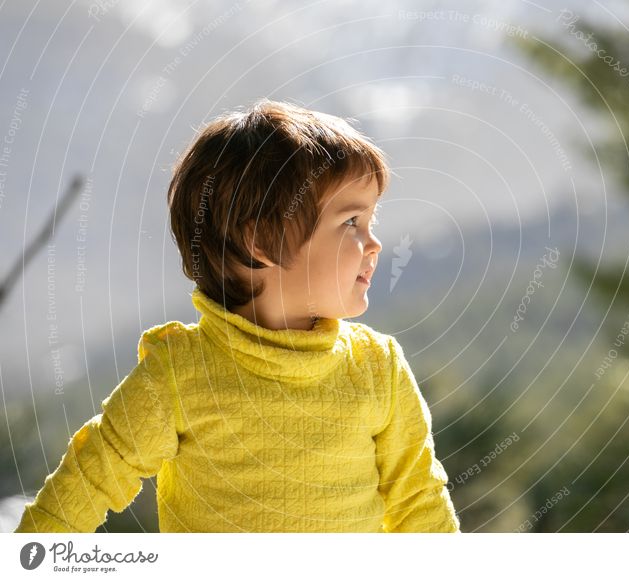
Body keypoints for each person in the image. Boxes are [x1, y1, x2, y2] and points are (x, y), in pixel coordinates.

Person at [14, 99, 460, 533]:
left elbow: (418, 501)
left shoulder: (377, 368)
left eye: (371, 221)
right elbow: (90, 477)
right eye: (351, 222)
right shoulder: (181, 374)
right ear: (261, 242)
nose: (375, 243)